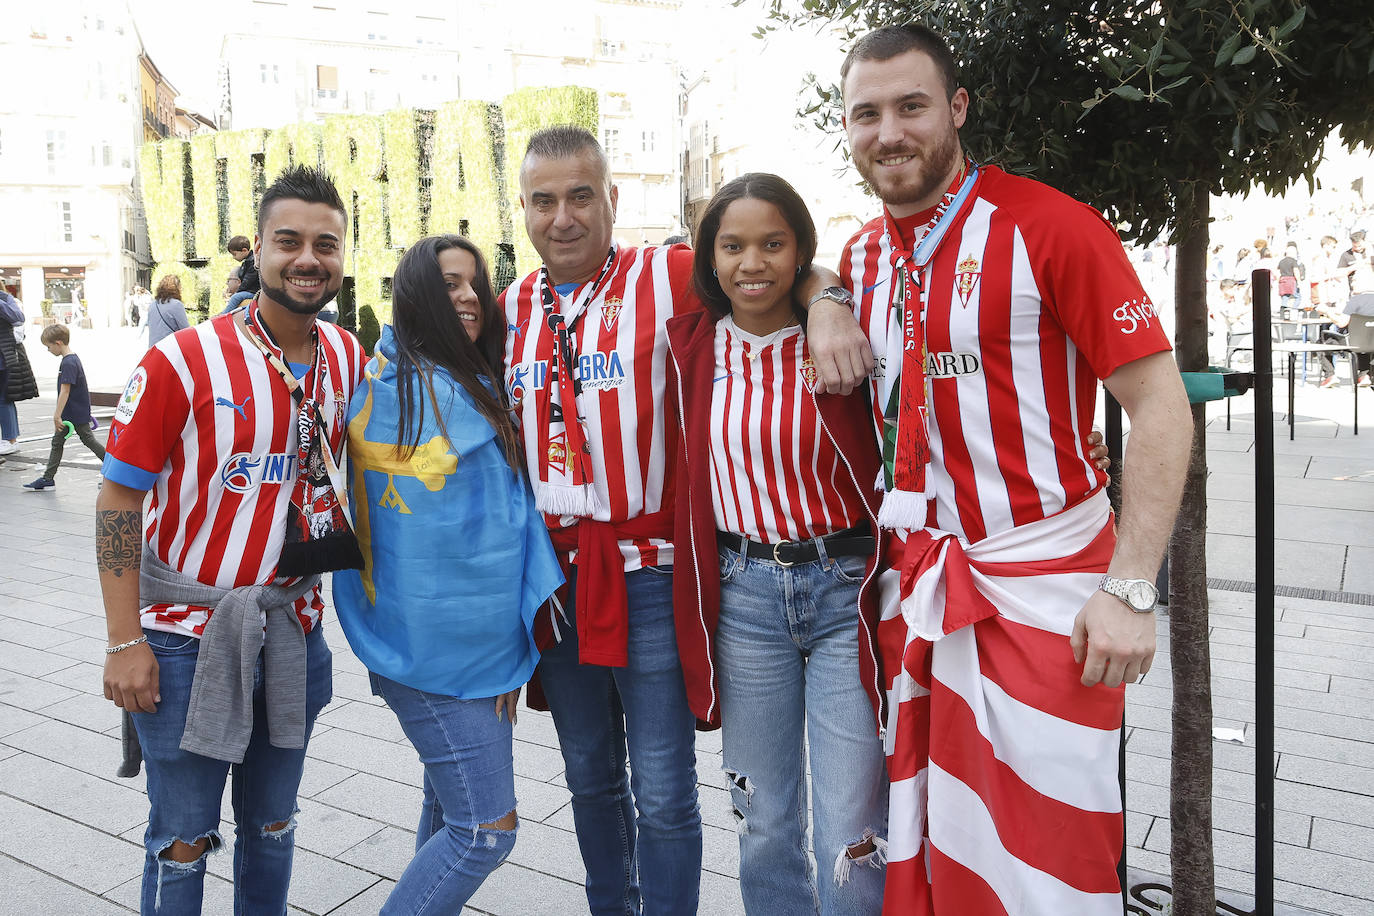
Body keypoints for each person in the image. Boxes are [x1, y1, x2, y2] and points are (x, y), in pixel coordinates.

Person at [835, 25, 1192, 913]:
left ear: (956, 110)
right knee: (933, 846)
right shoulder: (860, 260)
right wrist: (820, 301)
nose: (890, 132)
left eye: (912, 106)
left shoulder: (1050, 226)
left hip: (1049, 595)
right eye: (866, 114)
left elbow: (1161, 408)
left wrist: (1133, 588)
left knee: (1050, 860)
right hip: (920, 586)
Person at [500, 125, 866, 915]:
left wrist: (831, 303)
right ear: (523, 210)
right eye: (543, 200)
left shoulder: (666, 277)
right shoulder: (512, 307)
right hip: (555, 584)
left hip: (655, 575)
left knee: (664, 792)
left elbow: (770, 266)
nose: (562, 217)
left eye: (580, 196)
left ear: (611, 199)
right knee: (589, 778)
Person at [96, 165, 365, 915]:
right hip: (184, 641)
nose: (308, 259)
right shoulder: (183, 360)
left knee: (274, 827)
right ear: (260, 251)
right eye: (289, 241)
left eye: (326, 243)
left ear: (343, 255)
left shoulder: (347, 357)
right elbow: (118, 497)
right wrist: (125, 642)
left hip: (291, 631)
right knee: (181, 841)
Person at [665, 173, 890, 914]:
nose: (751, 262)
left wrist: (827, 301)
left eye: (773, 243)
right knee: (763, 821)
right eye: (732, 245)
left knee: (850, 831)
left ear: (800, 252)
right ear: (710, 255)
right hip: (744, 596)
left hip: (840, 590)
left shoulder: (847, 340)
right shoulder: (689, 343)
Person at [333, 235, 563, 912]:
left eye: (473, 284)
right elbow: (462, 550)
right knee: (484, 832)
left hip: (428, 643)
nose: (466, 297)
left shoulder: (414, 373)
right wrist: (500, 661)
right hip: (447, 650)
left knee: (447, 805)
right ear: (415, 296)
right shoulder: (421, 390)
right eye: (448, 285)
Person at [23, 324, 105, 490]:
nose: (48, 350)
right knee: (60, 442)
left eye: (49, 346)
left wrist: (57, 415)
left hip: (72, 412)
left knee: (87, 440)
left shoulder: (68, 362)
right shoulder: (72, 359)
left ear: (58, 343)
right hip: (75, 411)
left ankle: (116, 470)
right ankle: (48, 478)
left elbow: (65, 391)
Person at [0, 286, 36, 455]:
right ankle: (9, 438)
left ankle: (10, 439)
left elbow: (18, 318)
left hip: (3, 357)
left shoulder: (6, 299)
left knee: (3, 399)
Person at [145, 276, 192, 347]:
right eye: (179, 286)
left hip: (153, 349)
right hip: (169, 349)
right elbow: (186, 329)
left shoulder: (152, 305)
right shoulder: (176, 304)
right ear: (176, 288)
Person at [225, 234, 260, 313]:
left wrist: (238, 291)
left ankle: (225, 314)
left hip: (254, 291)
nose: (234, 257)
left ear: (244, 250)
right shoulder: (247, 262)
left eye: (234, 254)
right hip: (250, 291)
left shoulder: (252, 262)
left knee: (236, 297)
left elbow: (247, 281)